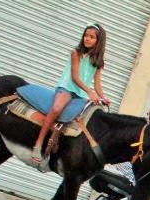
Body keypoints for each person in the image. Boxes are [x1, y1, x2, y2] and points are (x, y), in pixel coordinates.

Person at [32, 24, 110, 165]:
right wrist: (89, 92)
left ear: (99, 41)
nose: (87, 39)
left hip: (81, 94)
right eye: (86, 35)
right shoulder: (76, 53)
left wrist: (102, 97)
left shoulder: (99, 62)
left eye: (91, 37)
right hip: (67, 88)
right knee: (56, 109)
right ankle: (38, 143)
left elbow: (97, 83)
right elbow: (75, 77)